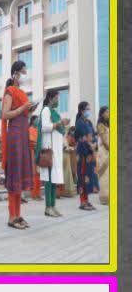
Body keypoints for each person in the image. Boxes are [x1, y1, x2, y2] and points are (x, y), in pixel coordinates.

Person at [1, 60, 38, 230]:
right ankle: (11, 216)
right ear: (15, 72)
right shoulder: (10, 91)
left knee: (20, 173)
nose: (25, 75)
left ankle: (18, 214)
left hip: (23, 133)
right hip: (15, 133)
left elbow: (24, 112)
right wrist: (23, 107)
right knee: (14, 174)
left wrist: (30, 109)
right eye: (23, 72)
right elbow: (5, 114)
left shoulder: (22, 92)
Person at [36, 89, 70, 217]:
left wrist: (62, 124)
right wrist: (60, 123)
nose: (58, 101)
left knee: (54, 179)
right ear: (50, 98)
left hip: (56, 150)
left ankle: (53, 206)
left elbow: (58, 129)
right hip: (49, 148)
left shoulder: (54, 112)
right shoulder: (46, 110)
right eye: (57, 98)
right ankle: (48, 207)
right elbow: (44, 127)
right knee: (49, 180)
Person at [75, 101, 98, 210]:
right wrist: (91, 144)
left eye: (89, 109)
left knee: (88, 176)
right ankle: (82, 202)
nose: (88, 111)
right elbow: (83, 137)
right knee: (82, 175)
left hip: (90, 152)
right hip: (83, 152)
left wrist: (94, 144)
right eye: (87, 109)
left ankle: (87, 200)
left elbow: (93, 135)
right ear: (81, 110)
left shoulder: (88, 122)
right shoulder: (79, 122)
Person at [95, 106, 110, 205]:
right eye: (107, 112)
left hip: (109, 150)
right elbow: (104, 140)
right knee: (104, 174)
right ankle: (104, 197)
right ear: (102, 114)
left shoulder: (108, 124)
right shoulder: (100, 125)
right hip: (104, 151)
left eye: (109, 112)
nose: (108, 114)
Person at [28, 116, 42, 201]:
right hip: (33, 153)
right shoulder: (30, 129)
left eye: (38, 120)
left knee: (39, 174)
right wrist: (38, 145)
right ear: (32, 121)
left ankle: (38, 193)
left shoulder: (38, 130)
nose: (37, 121)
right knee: (34, 173)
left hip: (39, 153)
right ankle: (34, 194)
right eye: (36, 120)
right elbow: (31, 142)